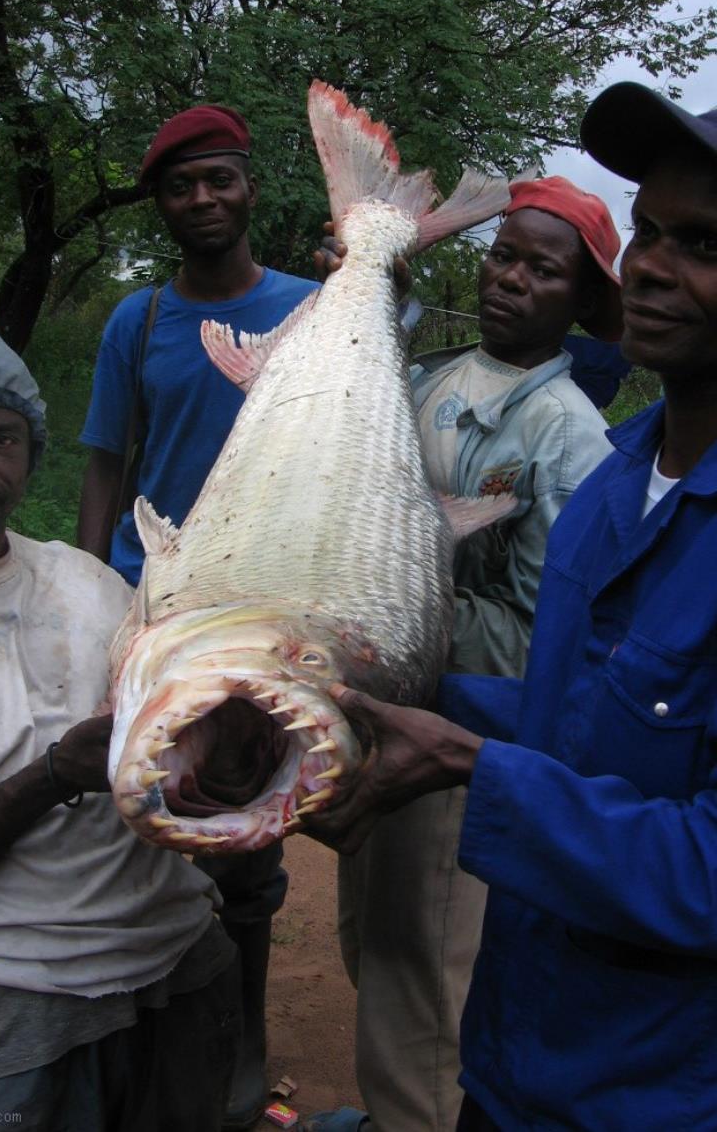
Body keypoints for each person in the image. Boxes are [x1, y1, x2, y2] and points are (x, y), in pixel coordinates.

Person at [306, 84, 717, 1131]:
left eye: (705, 244)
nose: (658, 267)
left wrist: (461, 764)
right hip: (512, 1055)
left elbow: (702, 871)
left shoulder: (569, 446)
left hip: (651, 1095)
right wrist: (381, 692)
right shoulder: (615, 491)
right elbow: (568, 711)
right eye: (652, 234)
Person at [317, 176, 623, 1132]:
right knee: (373, 935)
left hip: (457, 742)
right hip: (386, 706)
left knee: (430, 969)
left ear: (580, 302)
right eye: (504, 256)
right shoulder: (434, 378)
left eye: (543, 269)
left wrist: (400, 602)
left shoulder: (568, 433)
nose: (511, 281)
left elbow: (547, 640)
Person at [77, 104, 317, 1130]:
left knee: (243, 839)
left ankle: (240, 1057)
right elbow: (103, 464)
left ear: (248, 186)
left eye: (219, 179)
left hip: (255, 617)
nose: (203, 200)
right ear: (162, 205)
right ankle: (133, 1045)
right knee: (136, 819)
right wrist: (88, 591)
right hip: (156, 611)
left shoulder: (311, 310)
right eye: (182, 187)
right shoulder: (135, 324)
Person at [0, 321, 240, 1132]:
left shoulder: (90, 581)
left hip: (176, 965)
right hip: (0, 1001)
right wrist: (56, 775)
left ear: (30, 459)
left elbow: (190, 774)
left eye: (0, 438)